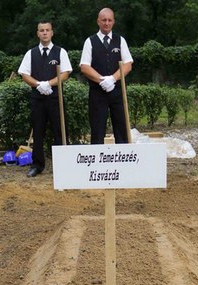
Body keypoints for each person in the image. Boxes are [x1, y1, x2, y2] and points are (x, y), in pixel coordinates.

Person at [18, 21, 72, 177]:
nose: (45, 33)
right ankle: (37, 165)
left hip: (55, 98)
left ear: (52, 32)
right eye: (42, 30)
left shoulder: (61, 52)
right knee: (38, 132)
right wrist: (38, 85)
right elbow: (24, 74)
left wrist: (49, 84)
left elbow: (65, 73)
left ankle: (63, 165)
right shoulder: (31, 53)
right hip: (37, 98)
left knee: (59, 131)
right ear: (38, 33)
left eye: (47, 30)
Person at [80, 7, 133, 144]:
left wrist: (113, 79)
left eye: (110, 20)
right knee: (97, 130)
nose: (107, 23)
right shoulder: (90, 41)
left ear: (113, 21)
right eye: (104, 20)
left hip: (118, 92)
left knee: (122, 129)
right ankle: (97, 156)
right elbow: (84, 67)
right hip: (97, 93)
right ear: (98, 21)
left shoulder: (120, 40)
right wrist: (102, 80)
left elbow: (128, 64)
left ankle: (123, 155)